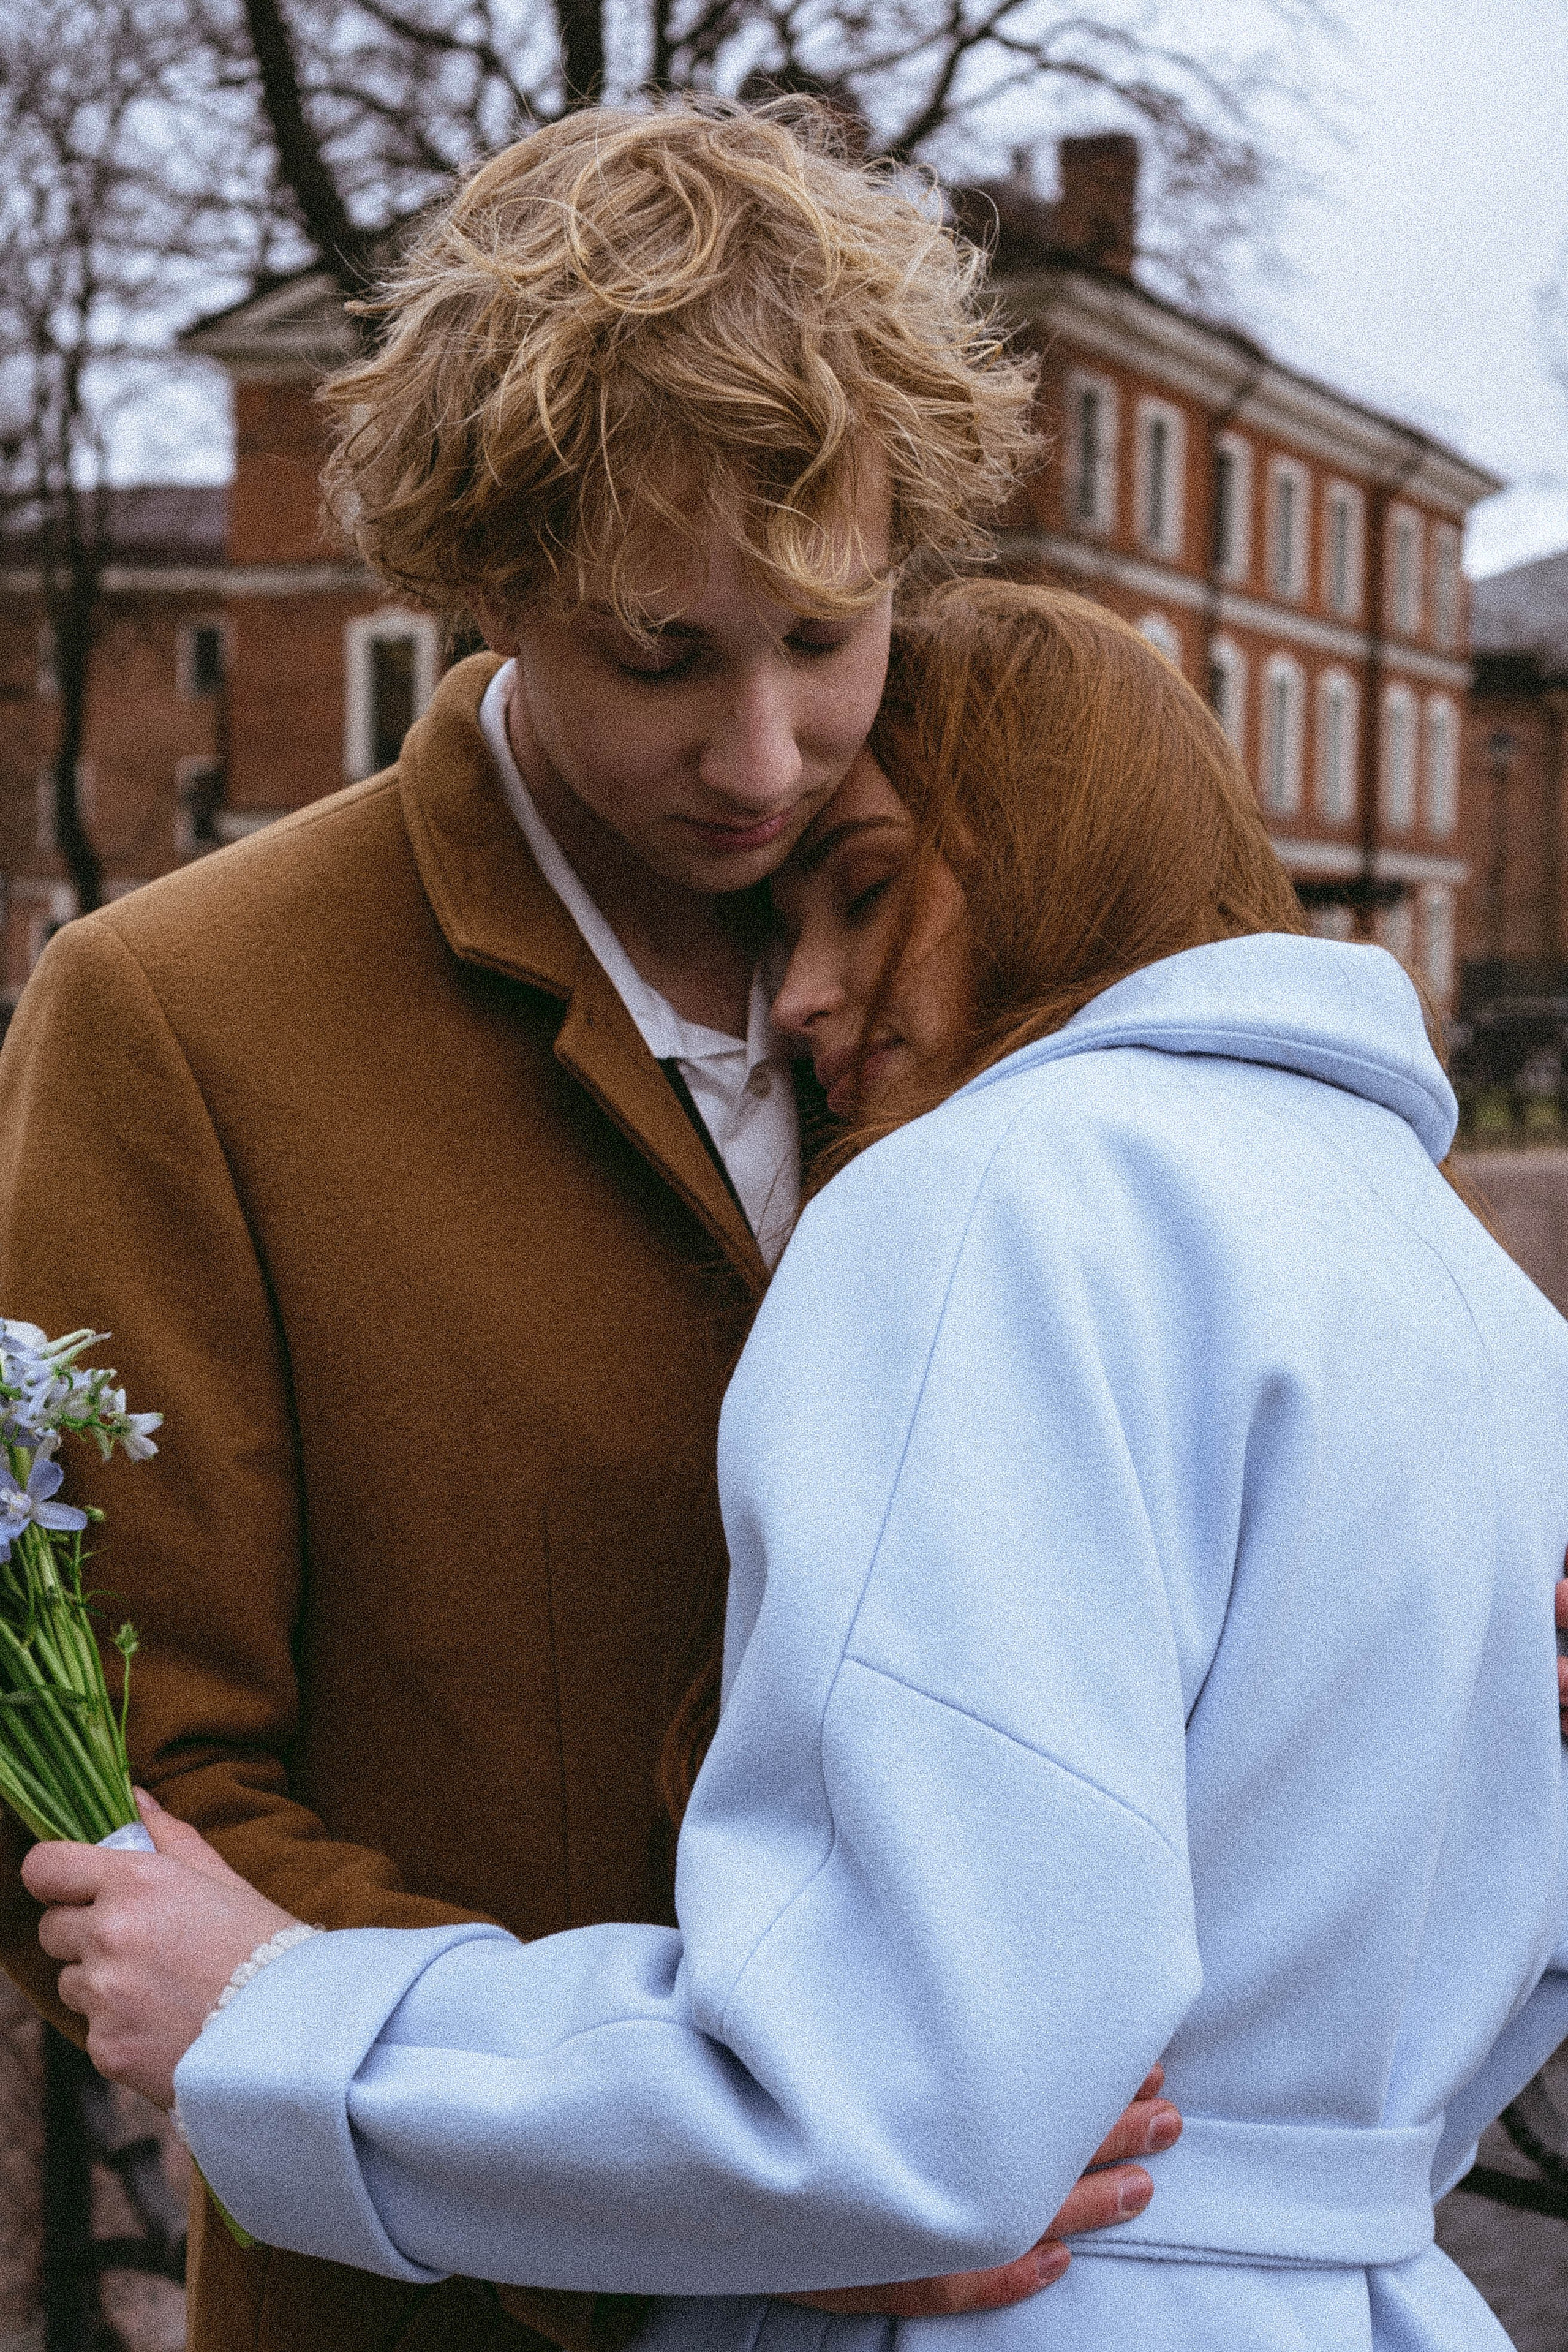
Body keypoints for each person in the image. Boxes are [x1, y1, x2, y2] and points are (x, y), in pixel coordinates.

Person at [29, 581, 1568, 2350]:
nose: (809, 998)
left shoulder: (989, 1191)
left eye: (866, 892)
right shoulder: (1480, 1293)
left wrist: (289, 2017)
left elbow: (880, 2118)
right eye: (786, 922)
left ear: (1062, 848)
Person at [0, 106, 1170, 2352]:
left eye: (831, 633)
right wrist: (718, 2184)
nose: (766, 751)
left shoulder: (1042, 927)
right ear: (491, 578)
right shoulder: (177, 1010)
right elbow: (116, 1779)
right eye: (661, 654)